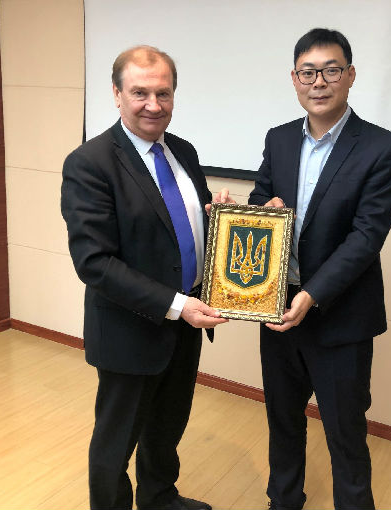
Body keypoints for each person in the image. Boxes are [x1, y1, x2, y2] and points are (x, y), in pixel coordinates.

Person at [61, 45, 232, 510]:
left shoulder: (183, 151)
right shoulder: (90, 163)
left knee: (167, 425)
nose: (153, 105)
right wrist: (176, 305)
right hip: (130, 329)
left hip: (187, 323)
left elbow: (177, 229)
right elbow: (94, 262)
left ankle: (159, 498)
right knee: (116, 442)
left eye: (164, 93)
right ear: (117, 94)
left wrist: (220, 221)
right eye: (140, 93)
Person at [248, 28, 391, 510]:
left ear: (350, 75)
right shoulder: (278, 139)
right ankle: (284, 501)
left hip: (340, 317)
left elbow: (366, 237)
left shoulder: (382, 147)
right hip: (277, 309)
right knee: (282, 421)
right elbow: (261, 201)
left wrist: (312, 294)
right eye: (308, 72)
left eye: (331, 70)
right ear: (294, 79)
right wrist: (258, 212)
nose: (319, 82)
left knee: (345, 433)